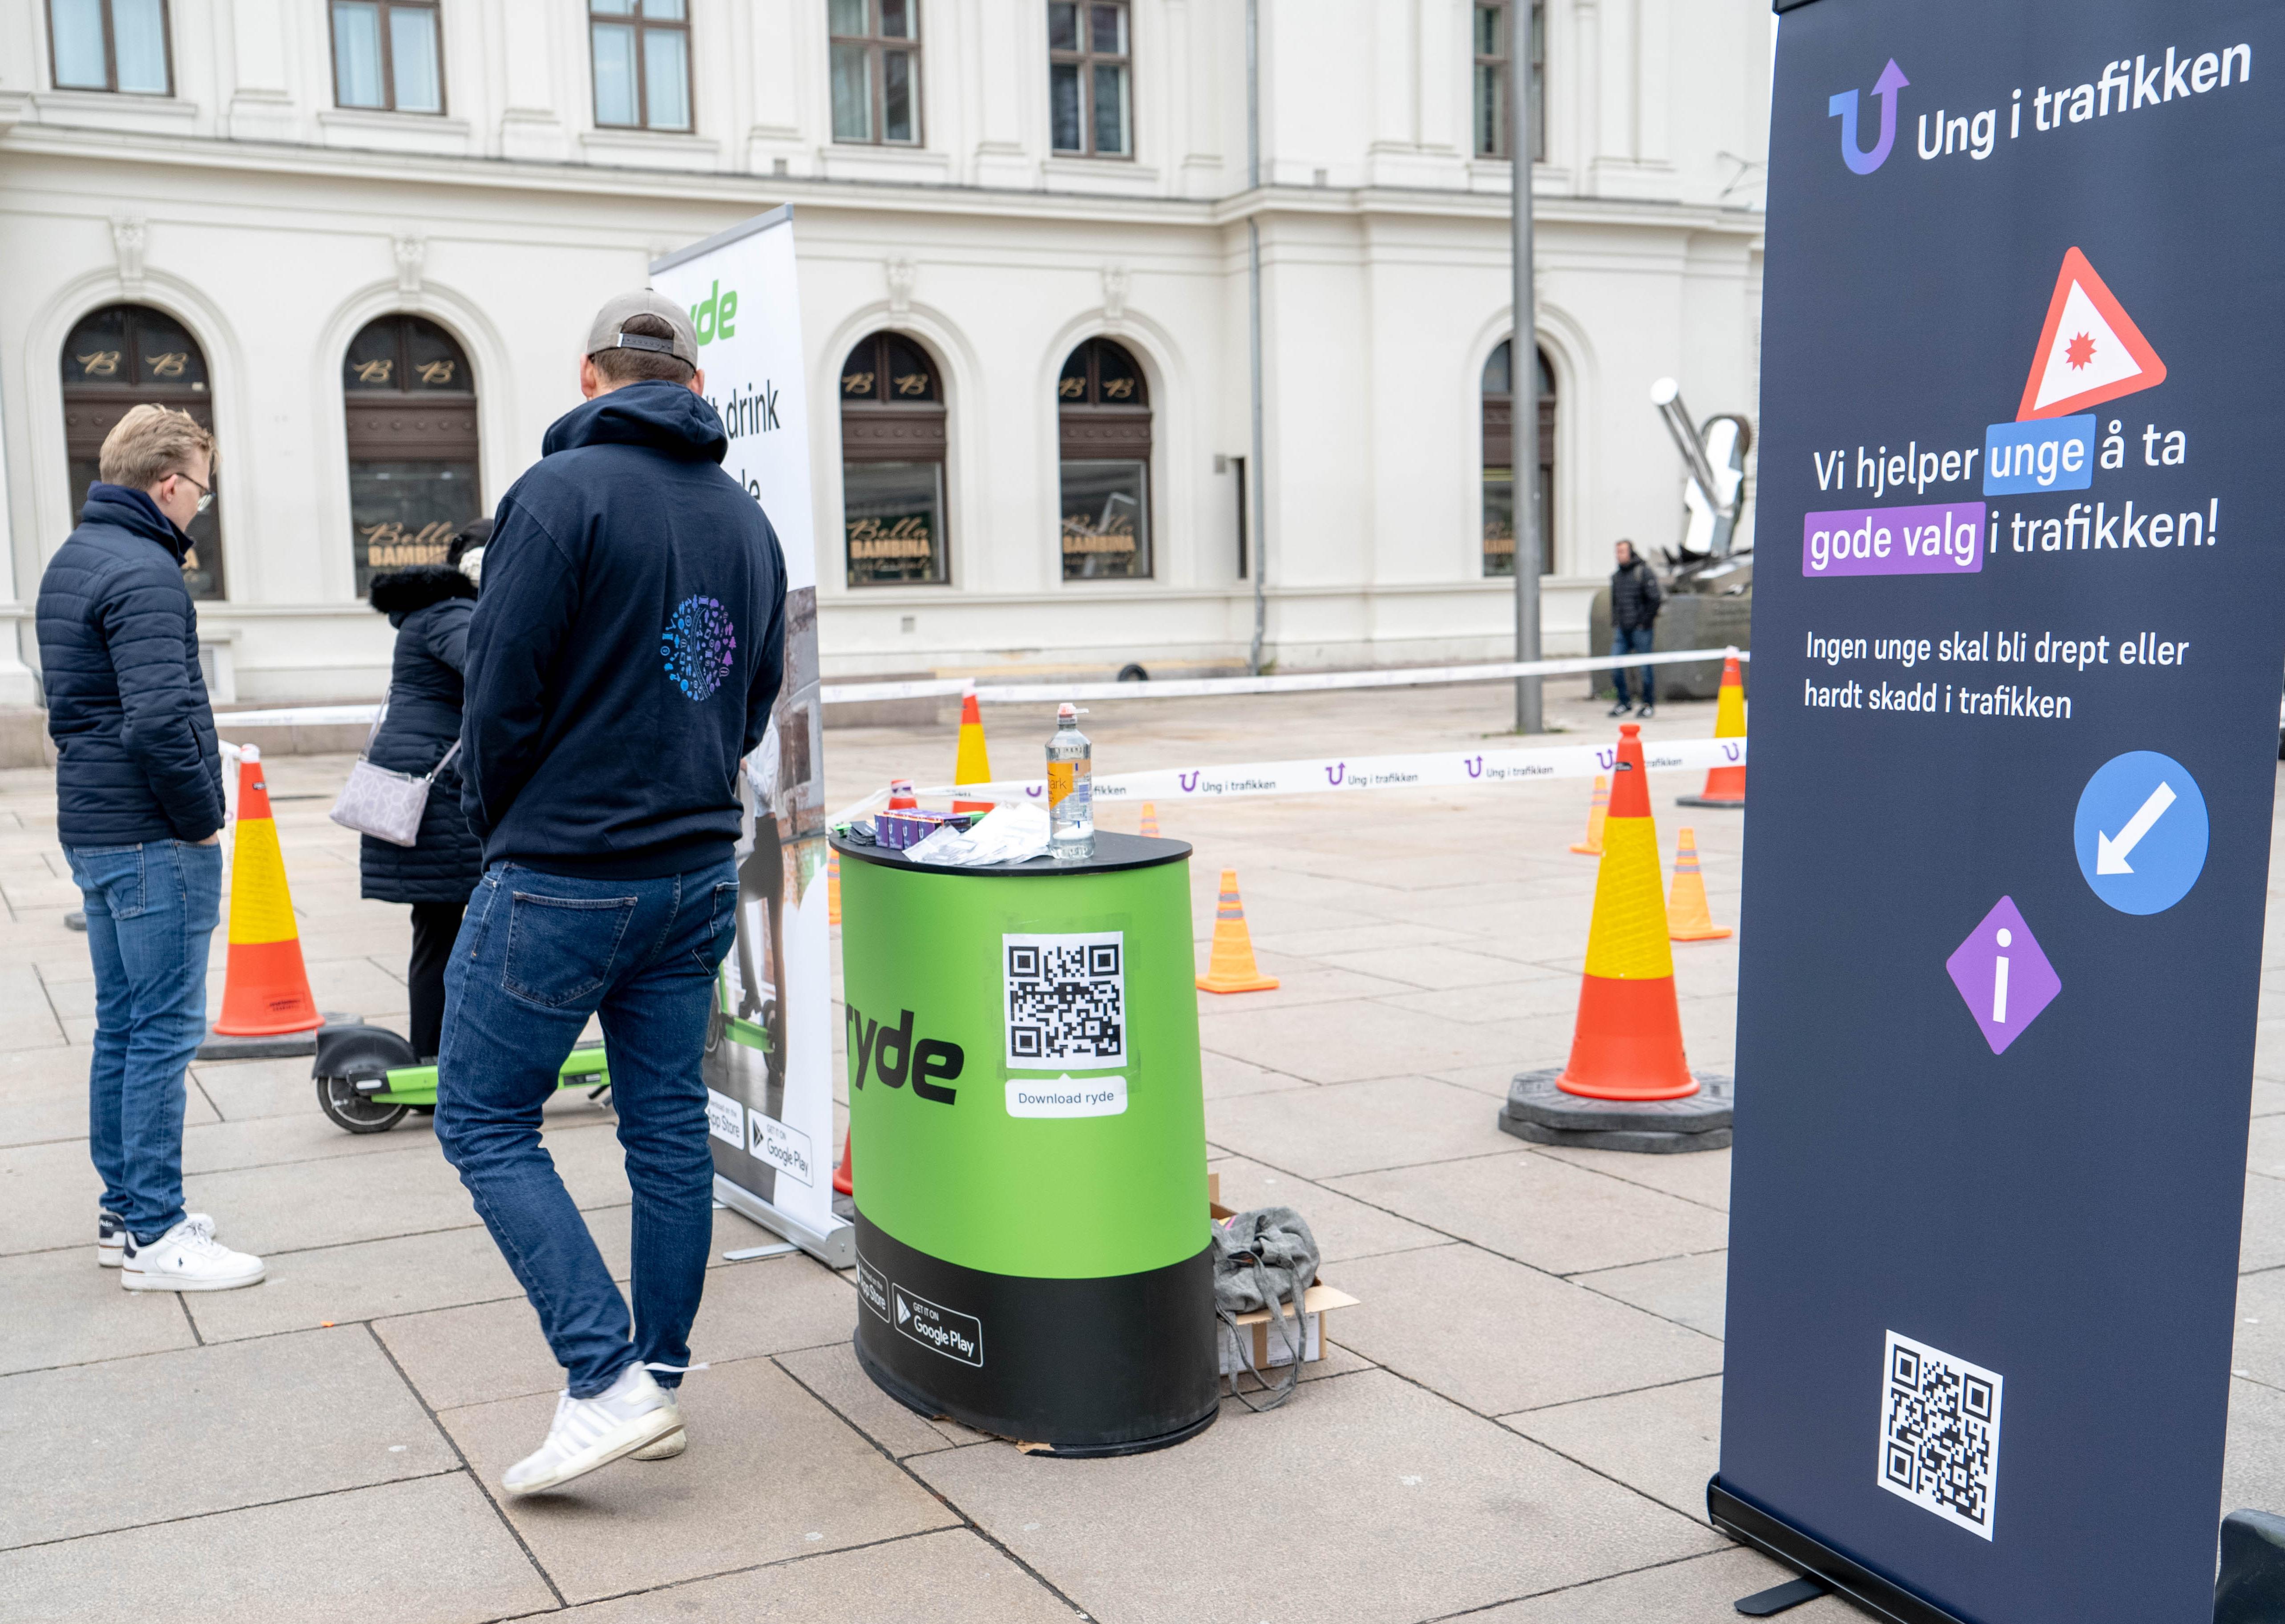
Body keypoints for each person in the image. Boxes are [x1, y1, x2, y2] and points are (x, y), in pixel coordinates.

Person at [436, 293, 787, 1496]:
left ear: (591, 375)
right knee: (667, 1129)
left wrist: (502, 825)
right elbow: (753, 700)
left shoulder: (555, 496)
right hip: (693, 867)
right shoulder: (746, 521)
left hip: (566, 873)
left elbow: (499, 695)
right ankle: (662, 1364)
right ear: (693, 382)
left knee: (482, 1119)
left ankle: (606, 1378)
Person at [36, 404, 265, 1292]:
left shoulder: (76, 556)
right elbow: (162, 717)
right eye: (202, 490)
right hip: (152, 832)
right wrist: (204, 814)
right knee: (164, 1032)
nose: (201, 506)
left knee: (123, 1026)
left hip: (97, 826)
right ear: (170, 482)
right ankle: (159, 1234)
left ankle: (125, 1213)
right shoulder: (146, 571)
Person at [357, 520, 487, 1063]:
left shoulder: (429, 611)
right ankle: (440, 1057)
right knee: (448, 928)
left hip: (426, 784)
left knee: (438, 930)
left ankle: (436, 1052)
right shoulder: (454, 613)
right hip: (440, 793)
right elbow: (490, 665)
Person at [1608, 538, 1663, 719]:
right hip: (1622, 630)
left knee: (1645, 669)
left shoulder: (1643, 572)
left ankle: (1648, 704)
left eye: (1622, 551)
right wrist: (1616, 621)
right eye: (1617, 552)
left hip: (1641, 630)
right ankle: (1624, 702)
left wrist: (1644, 622)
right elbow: (1616, 602)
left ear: (1631, 552)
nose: (1619, 555)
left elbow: (1655, 599)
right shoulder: (1617, 577)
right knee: (1615, 664)